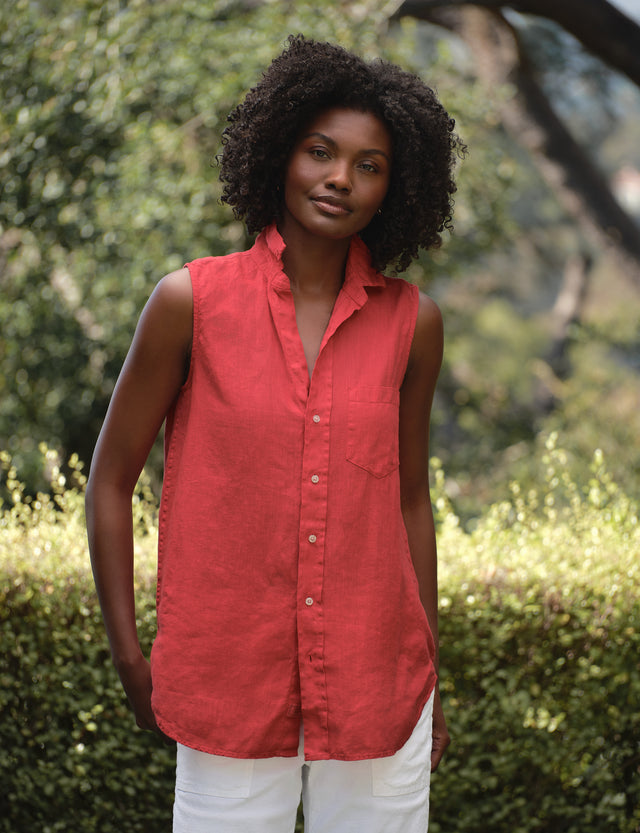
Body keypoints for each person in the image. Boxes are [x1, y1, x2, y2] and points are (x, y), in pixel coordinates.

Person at [86, 34, 464, 833]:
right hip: (228, 685)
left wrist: (428, 676)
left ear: (396, 187)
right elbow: (110, 480)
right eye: (320, 151)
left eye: (369, 165)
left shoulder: (414, 323)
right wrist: (128, 655)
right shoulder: (190, 302)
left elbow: (410, 502)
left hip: (378, 686)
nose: (340, 177)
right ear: (279, 153)